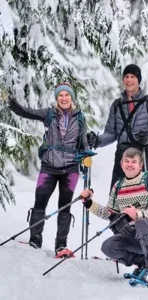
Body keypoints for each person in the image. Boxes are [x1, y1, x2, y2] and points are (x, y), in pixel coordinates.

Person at [8, 82, 89, 256]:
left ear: (72, 98)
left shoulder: (80, 117)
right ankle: (35, 241)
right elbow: (26, 112)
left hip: (70, 169)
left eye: (67, 95)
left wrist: (87, 155)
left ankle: (61, 245)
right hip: (49, 167)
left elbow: (83, 143)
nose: (64, 98)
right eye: (61, 95)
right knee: (40, 203)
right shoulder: (49, 114)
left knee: (64, 207)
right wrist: (11, 102)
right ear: (57, 98)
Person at [80, 147, 148, 284]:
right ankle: (142, 264)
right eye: (126, 161)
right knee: (108, 246)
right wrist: (89, 203)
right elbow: (109, 214)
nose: (129, 164)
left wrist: (138, 214)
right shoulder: (118, 185)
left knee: (141, 222)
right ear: (121, 164)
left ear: (141, 165)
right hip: (134, 235)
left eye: (134, 161)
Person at [87, 64, 148, 189]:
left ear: (138, 80)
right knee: (116, 198)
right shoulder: (117, 105)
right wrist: (98, 140)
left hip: (142, 157)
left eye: (132, 77)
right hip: (122, 157)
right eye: (126, 76)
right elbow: (111, 133)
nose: (129, 80)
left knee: (142, 199)